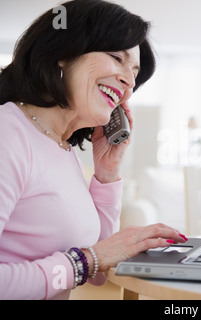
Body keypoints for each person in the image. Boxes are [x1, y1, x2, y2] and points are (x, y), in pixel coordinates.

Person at [0, 0, 187, 300]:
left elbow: (99, 271)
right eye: (116, 57)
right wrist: (86, 260)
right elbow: (91, 261)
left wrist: (107, 173)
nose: (129, 82)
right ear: (62, 53)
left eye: (135, 74)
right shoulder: (8, 133)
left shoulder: (63, 148)